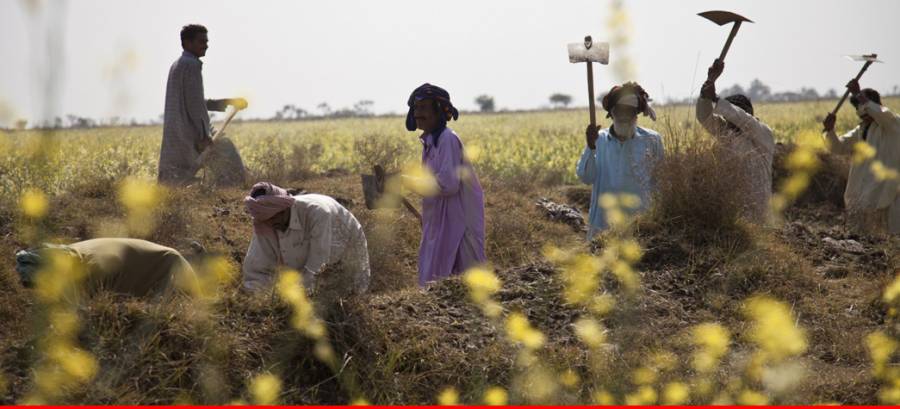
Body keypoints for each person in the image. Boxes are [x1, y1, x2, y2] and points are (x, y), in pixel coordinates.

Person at [405, 83, 486, 286]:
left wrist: (408, 181)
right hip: (442, 223)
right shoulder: (431, 142)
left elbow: (448, 185)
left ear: (438, 111)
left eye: (423, 108)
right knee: (438, 280)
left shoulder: (447, 139)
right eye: (416, 108)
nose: (418, 113)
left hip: (459, 224)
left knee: (464, 283)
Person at [241, 182, 371, 295]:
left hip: (345, 247)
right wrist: (258, 291)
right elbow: (255, 270)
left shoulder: (318, 213)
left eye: (274, 217)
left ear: (284, 208)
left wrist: (297, 292)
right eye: (266, 220)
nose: (271, 224)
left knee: (344, 292)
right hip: (307, 268)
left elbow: (319, 263)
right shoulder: (266, 223)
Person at [158, 24, 248, 185]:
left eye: (206, 41)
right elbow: (195, 106)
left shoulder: (179, 64)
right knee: (230, 163)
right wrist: (204, 135)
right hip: (191, 131)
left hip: (179, 131)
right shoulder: (191, 65)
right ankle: (229, 194)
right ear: (187, 43)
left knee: (176, 177)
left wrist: (225, 102)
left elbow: (193, 99)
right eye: (201, 41)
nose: (206, 45)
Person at [576, 82, 664, 238]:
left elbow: (661, 182)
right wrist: (591, 147)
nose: (623, 116)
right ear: (611, 113)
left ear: (636, 114)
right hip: (602, 229)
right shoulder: (598, 140)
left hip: (639, 229)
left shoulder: (652, 140)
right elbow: (585, 177)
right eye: (619, 110)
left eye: (629, 111)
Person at [697, 59, 776, 223]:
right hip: (733, 217)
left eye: (735, 114)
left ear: (750, 114)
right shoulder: (725, 132)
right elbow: (704, 117)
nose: (733, 121)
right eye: (728, 117)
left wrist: (716, 99)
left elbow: (743, 120)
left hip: (759, 216)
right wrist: (709, 86)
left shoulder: (763, 134)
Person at [823, 80, 900, 234]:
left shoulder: (892, 123)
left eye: (862, 104)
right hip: (862, 194)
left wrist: (858, 94)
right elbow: (837, 147)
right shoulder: (861, 129)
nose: (860, 110)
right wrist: (829, 130)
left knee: (889, 237)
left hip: (886, 193)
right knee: (862, 240)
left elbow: (881, 113)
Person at [15, 238, 198, 298]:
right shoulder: (74, 254)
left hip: (169, 269)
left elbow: (94, 314)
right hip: (156, 265)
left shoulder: (92, 269)